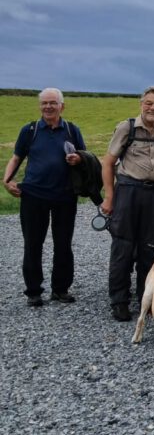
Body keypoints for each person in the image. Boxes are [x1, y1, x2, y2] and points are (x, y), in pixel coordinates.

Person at [102, 86, 154, 322]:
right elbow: (108, 163)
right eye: (149, 103)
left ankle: (146, 300)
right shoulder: (126, 128)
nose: (153, 108)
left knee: (150, 249)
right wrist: (109, 196)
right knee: (123, 247)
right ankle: (119, 301)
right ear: (141, 104)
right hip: (128, 191)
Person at [3, 88, 86, 306]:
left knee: (63, 244)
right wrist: (6, 180)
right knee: (33, 244)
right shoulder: (29, 130)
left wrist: (77, 159)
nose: (48, 107)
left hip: (65, 196)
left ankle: (60, 289)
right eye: (44, 103)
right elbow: (16, 158)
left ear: (62, 106)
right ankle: (33, 291)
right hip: (33, 195)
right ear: (40, 106)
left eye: (53, 103)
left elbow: (85, 157)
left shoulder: (72, 130)